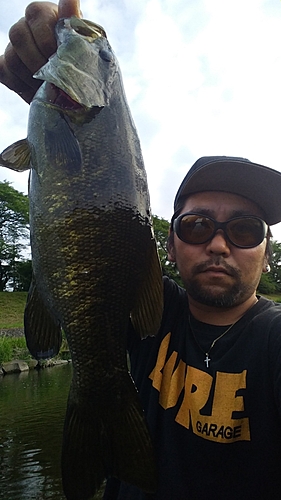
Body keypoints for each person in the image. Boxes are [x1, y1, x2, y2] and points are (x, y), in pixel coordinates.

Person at [2, 2, 281, 499]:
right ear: (167, 245)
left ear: (267, 247)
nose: (219, 243)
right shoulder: (148, 314)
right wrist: (47, 116)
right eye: (195, 226)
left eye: (244, 229)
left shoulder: (273, 342)